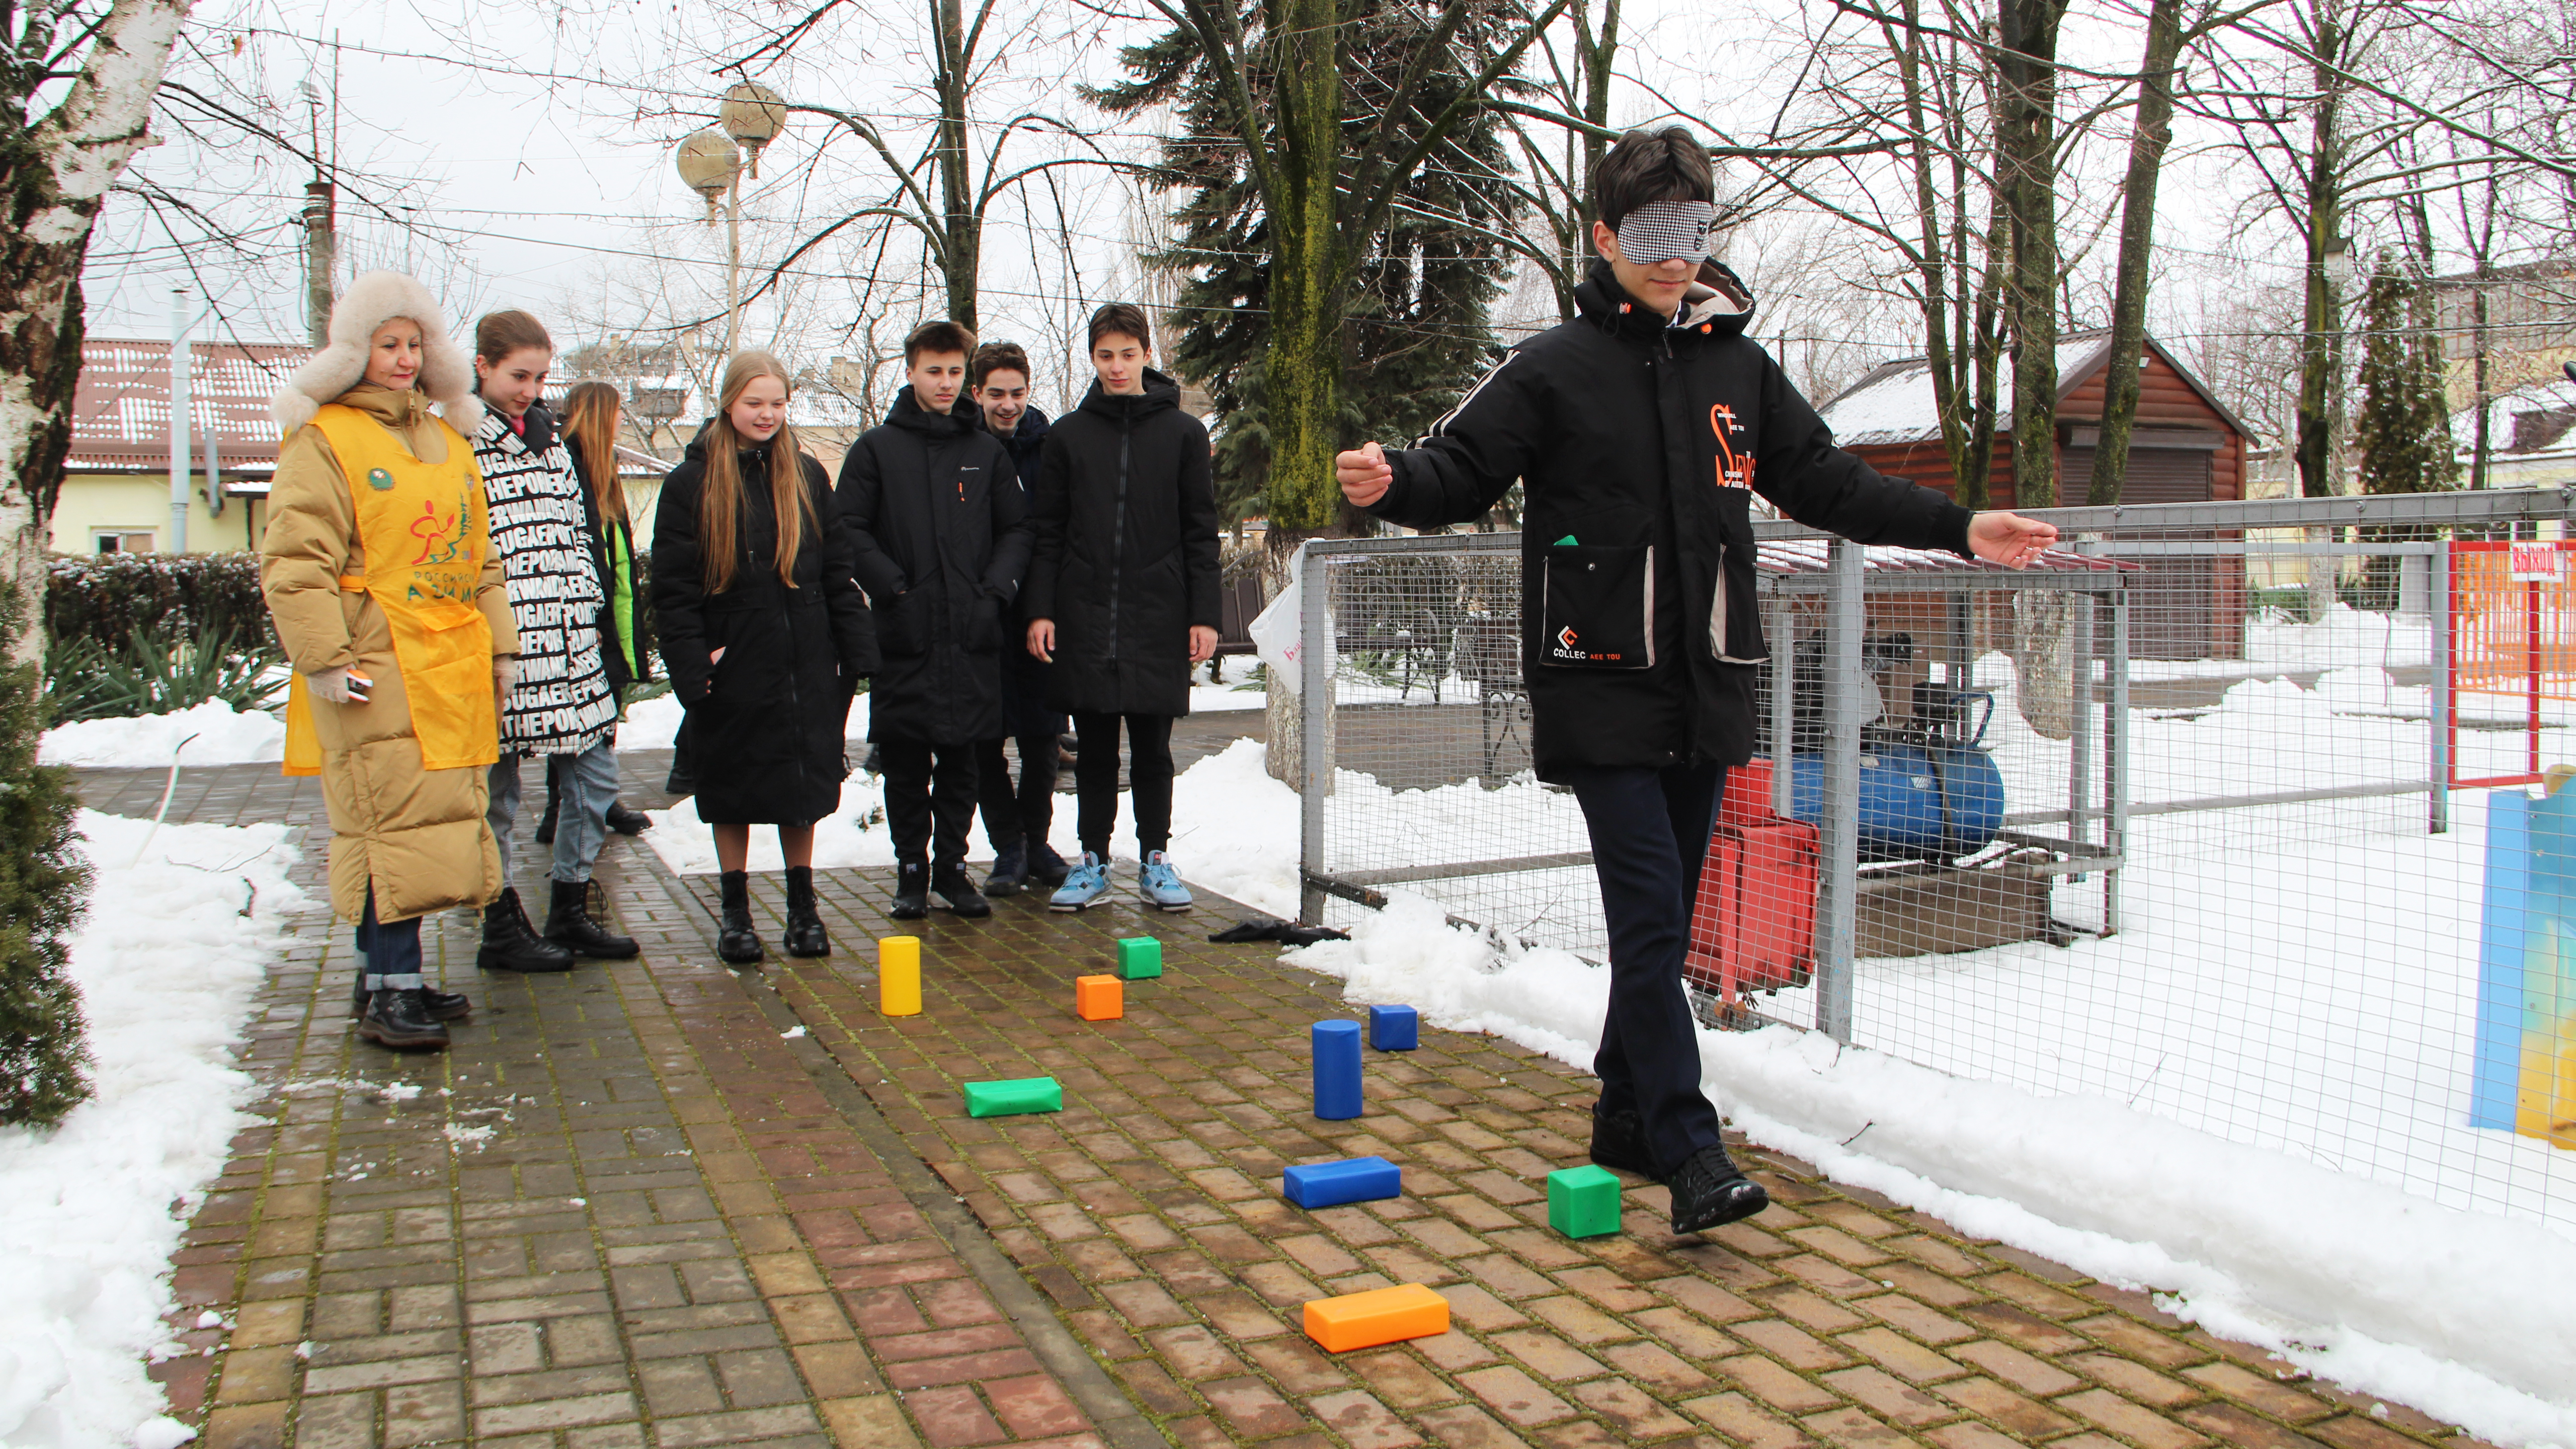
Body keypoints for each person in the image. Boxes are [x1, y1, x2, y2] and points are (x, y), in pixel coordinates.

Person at [1336, 127, 2060, 1234]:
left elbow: (1825, 480)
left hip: (1710, 683)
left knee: (1664, 925)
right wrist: (1394, 482)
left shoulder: (1737, 367)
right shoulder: (1555, 367)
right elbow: (1461, 467)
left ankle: (1625, 1115)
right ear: (1604, 236)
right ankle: (1690, 1147)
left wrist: (1963, 527)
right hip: (1598, 686)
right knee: (1649, 922)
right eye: (1653, 237)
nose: (1676, 259)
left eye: (1693, 234)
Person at [263, 270, 514, 1051]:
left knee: (430, 823)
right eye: (387, 345)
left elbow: (483, 559)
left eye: (415, 345)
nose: (404, 360)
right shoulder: (325, 439)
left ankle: (386, 979)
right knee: (386, 822)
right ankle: (391, 988)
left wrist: (501, 648)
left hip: (446, 659)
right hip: (372, 660)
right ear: (353, 351)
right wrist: (324, 658)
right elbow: (296, 560)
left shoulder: (446, 439)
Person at [654, 351, 878, 963]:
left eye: (778, 403)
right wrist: (694, 663)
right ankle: (735, 912)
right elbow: (673, 590)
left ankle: (803, 910)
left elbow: (837, 569)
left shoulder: (806, 475)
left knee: (799, 788)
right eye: (756, 403)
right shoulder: (691, 483)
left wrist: (853, 653)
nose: (768, 414)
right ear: (729, 403)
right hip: (733, 662)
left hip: (806, 659)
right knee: (733, 786)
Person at [1023, 303, 1221, 912]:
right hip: (1083, 615)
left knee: (1153, 749)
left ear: (1146, 355)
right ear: (1093, 357)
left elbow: (1200, 530)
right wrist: (1041, 608)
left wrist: (1204, 614)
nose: (1116, 367)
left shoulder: (1185, 434)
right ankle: (1092, 859)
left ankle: (1156, 859)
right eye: (1105, 355)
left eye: (1128, 355)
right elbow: (1046, 531)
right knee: (1095, 751)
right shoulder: (1068, 435)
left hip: (1158, 614)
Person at [839, 321, 1034, 919]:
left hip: (973, 633)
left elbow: (1018, 529)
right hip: (907, 632)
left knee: (963, 763)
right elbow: (847, 528)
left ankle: (952, 867)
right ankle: (911, 869)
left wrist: (994, 593)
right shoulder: (877, 449)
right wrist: (893, 587)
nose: (945, 383)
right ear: (911, 372)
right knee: (905, 762)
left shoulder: (984, 453)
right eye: (934, 371)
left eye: (955, 372)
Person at [468, 311, 631, 968]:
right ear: (482, 366)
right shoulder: (458, 444)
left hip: (569, 647)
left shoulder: (554, 444)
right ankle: (499, 923)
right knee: (497, 797)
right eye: (517, 376)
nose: (530, 390)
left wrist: (590, 616)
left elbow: (577, 538)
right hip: (502, 652)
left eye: (539, 377)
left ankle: (569, 905)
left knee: (595, 779)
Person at [965, 340, 1069, 895]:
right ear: (976, 392)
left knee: (1042, 736)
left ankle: (1037, 839)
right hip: (981, 612)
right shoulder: (962, 447)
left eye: (1018, 393)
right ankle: (1008, 845)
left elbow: (1055, 532)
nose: (1008, 405)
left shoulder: (1048, 447)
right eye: (997, 394)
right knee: (986, 739)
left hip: (1039, 614)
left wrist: (1045, 608)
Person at [536, 382, 656, 848]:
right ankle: (565, 807)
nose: (623, 421)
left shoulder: (601, 467)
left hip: (610, 611)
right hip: (588, 613)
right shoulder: (570, 462)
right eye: (619, 413)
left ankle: (594, 803)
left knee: (598, 716)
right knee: (578, 719)